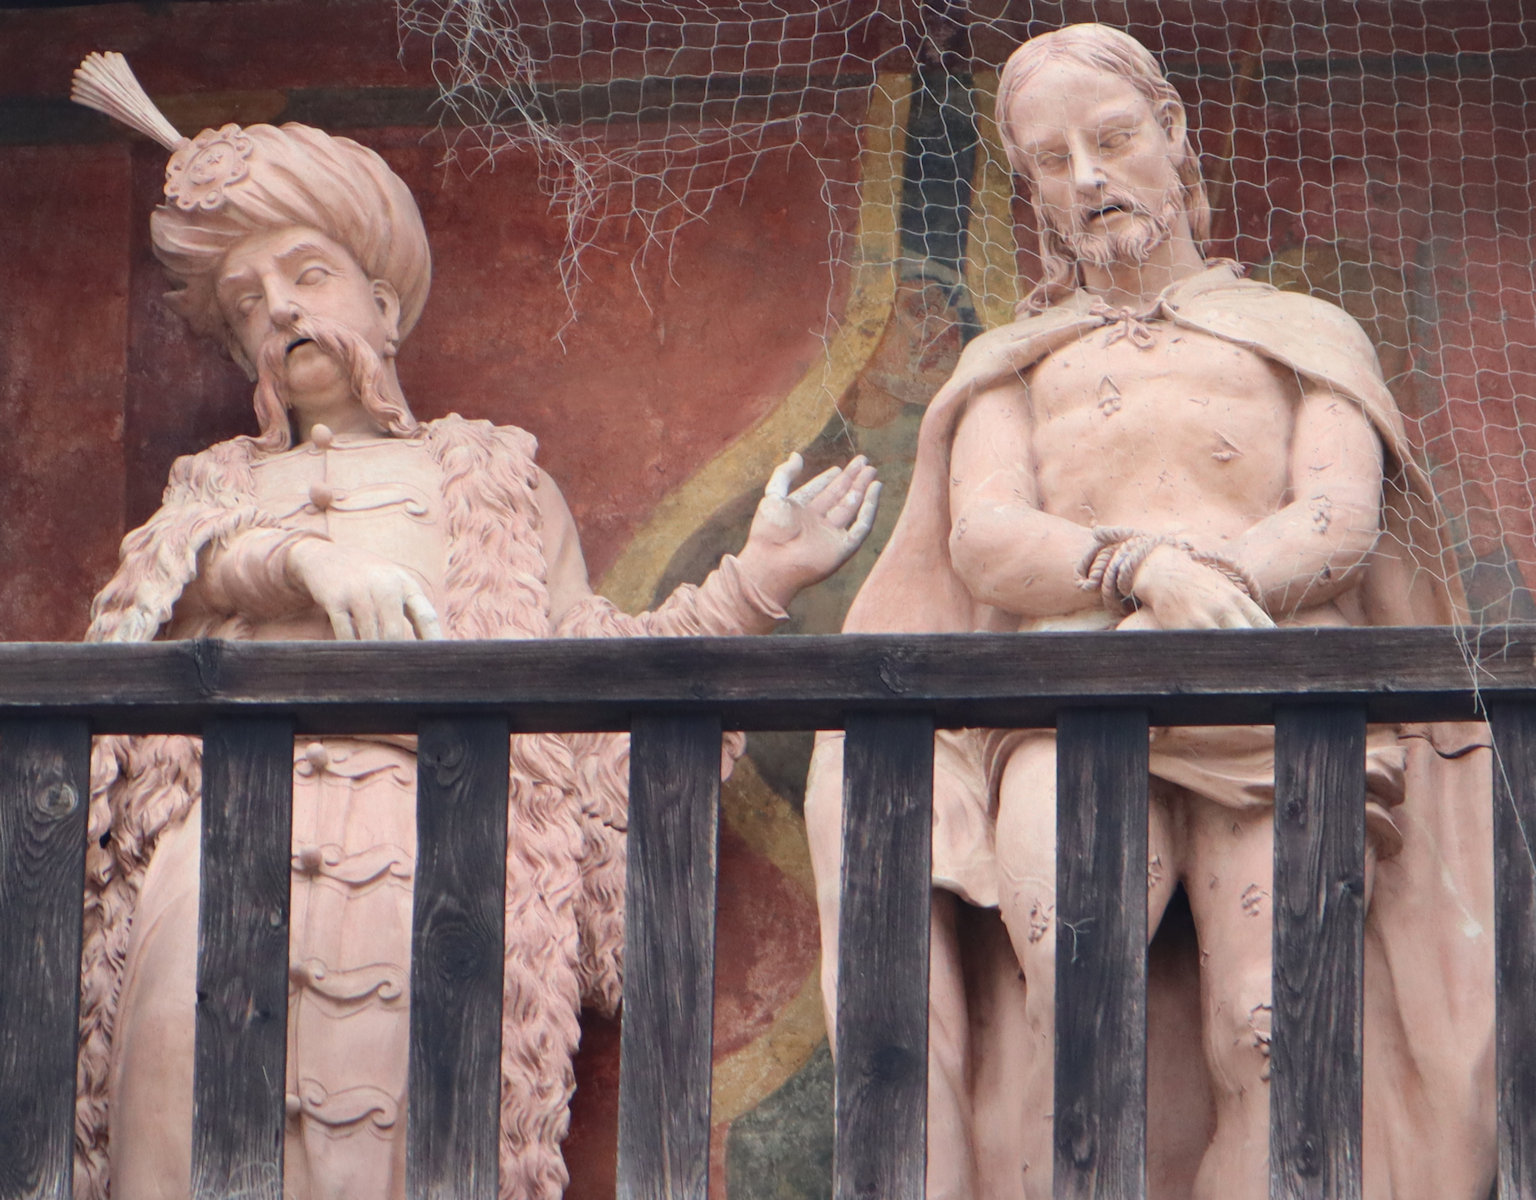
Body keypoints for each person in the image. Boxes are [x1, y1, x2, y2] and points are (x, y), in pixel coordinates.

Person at [68, 53, 879, 1200]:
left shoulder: (487, 478)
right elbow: (149, 607)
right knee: (182, 1117)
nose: (282, 309)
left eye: (306, 275)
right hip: (228, 846)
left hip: (427, 848)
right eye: (249, 303)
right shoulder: (215, 485)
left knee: (409, 1143)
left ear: (384, 304)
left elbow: (583, 672)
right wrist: (302, 560)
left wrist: (759, 580)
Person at [804, 24, 1493, 1200]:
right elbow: (987, 538)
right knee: (1076, 1010)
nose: (1089, 176)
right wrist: (1140, 574)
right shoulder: (1014, 366)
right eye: (1052, 159)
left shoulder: (1304, 335)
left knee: (1279, 1028)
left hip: (1278, 700)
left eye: (1113, 138)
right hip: (1070, 699)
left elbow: (1336, 520)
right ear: (1032, 194)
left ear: (1173, 135)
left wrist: (1195, 595)